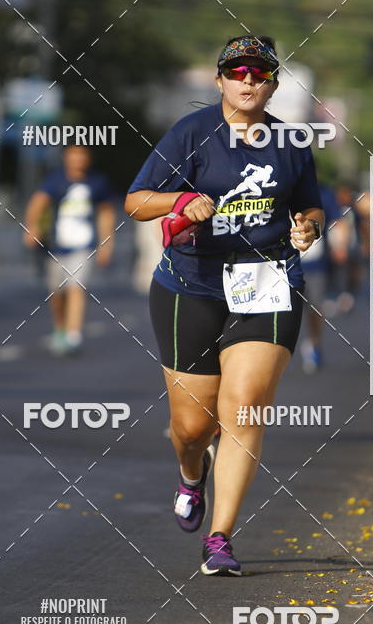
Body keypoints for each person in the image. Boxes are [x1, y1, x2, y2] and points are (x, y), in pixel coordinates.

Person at [124, 35, 324, 576]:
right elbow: (136, 201)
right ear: (220, 82)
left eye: (259, 74)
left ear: (274, 84)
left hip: (268, 282)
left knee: (246, 406)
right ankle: (192, 475)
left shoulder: (291, 141)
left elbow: (310, 206)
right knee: (192, 427)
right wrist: (182, 201)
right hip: (191, 286)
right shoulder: (191, 133)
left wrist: (308, 229)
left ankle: (220, 537)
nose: (248, 81)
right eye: (237, 73)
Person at [24, 145, 115, 354]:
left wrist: (106, 243)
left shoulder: (97, 182)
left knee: (77, 288)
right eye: (73, 155)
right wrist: (32, 227)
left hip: (84, 245)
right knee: (57, 292)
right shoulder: (55, 180)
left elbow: (106, 213)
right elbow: (38, 203)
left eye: (82, 155)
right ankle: (60, 328)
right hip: (56, 245)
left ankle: (74, 336)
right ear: (66, 157)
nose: (78, 160)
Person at [299, 183, 347, 373]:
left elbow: (337, 221)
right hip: (285, 264)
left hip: (316, 264)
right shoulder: (278, 188)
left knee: (315, 307)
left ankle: (314, 343)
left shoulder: (324, 194)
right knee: (287, 312)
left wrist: (340, 243)